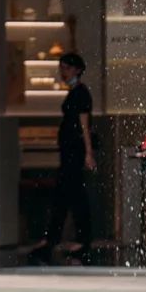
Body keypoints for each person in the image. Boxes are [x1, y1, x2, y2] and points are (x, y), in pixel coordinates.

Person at [30, 52, 96, 264]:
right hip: (69, 152)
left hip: (74, 153)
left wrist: (88, 152)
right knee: (68, 196)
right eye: (61, 68)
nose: (63, 73)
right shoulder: (75, 92)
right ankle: (57, 238)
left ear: (76, 69)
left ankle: (70, 239)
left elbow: (85, 124)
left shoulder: (81, 93)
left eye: (66, 68)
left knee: (72, 196)